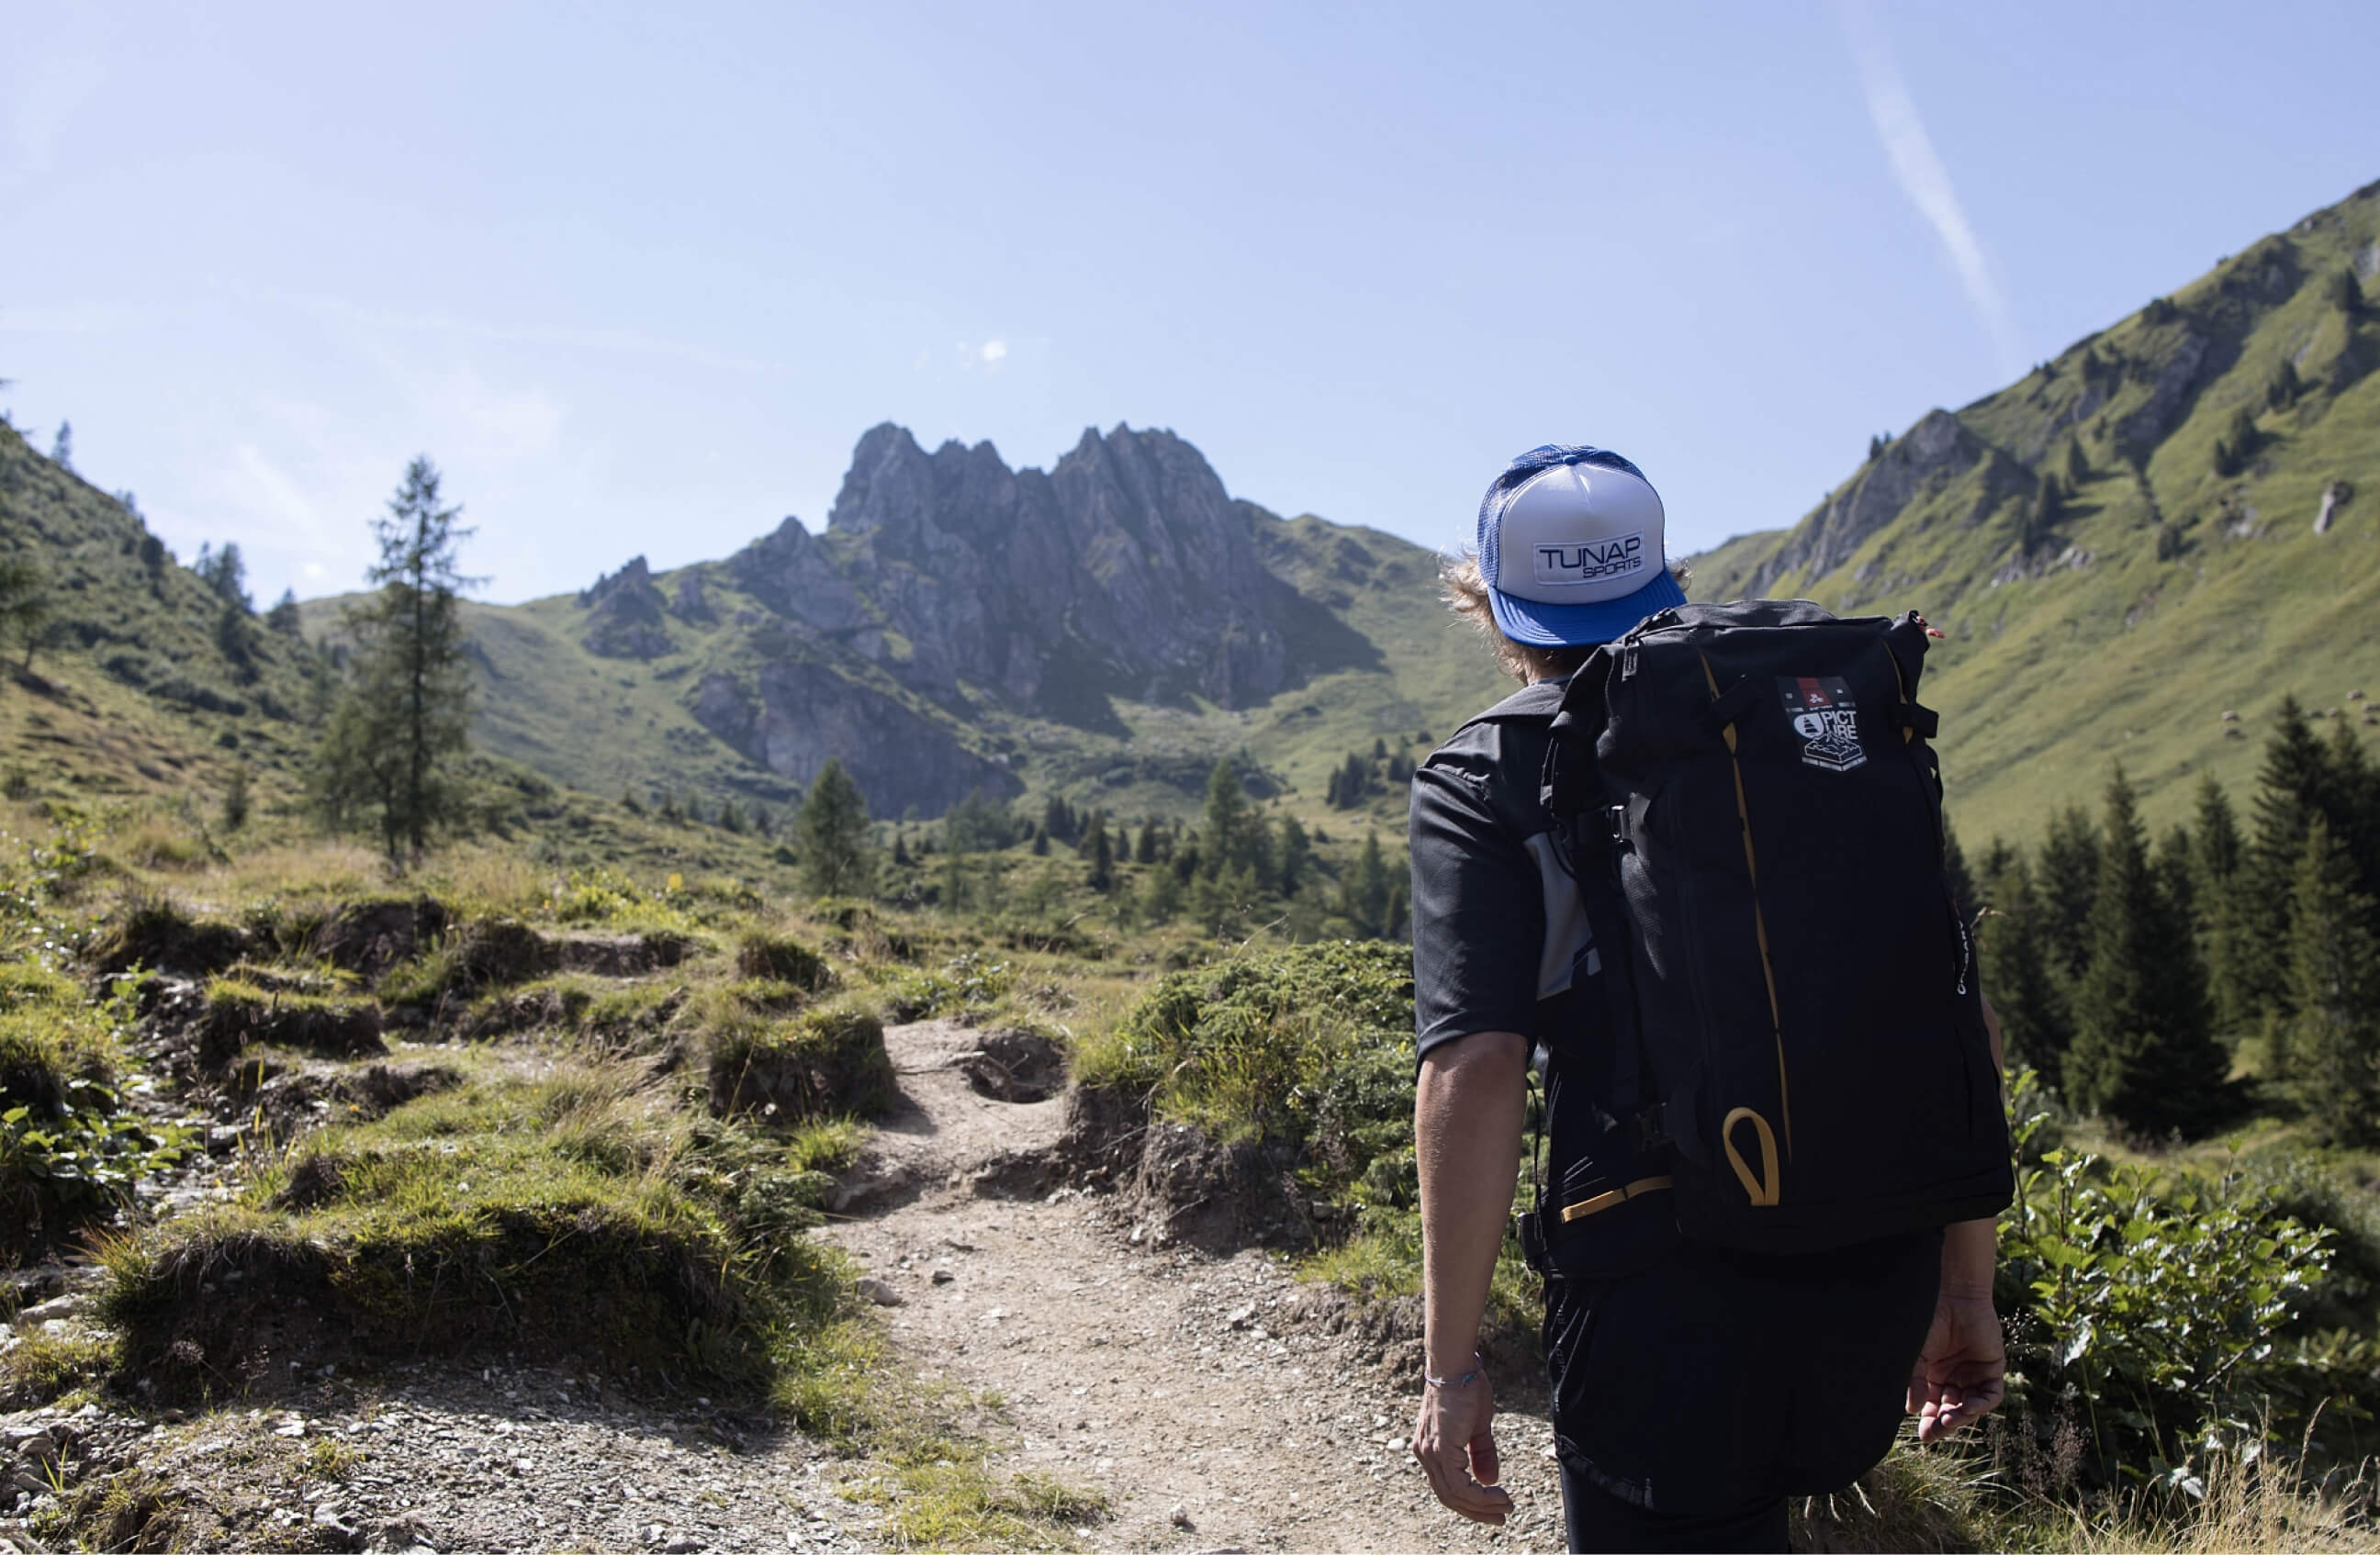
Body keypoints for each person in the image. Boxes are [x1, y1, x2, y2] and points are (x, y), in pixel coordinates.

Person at [1405, 444, 2008, 1553]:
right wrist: (1965, 1292)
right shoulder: (1811, 716)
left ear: (1494, 605)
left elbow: (1474, 1068)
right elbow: (1957, 1003)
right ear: (1665, 577)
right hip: (1874, 1270)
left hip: (1658, 1302)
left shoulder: (1488, 773)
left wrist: (1450, 1365)